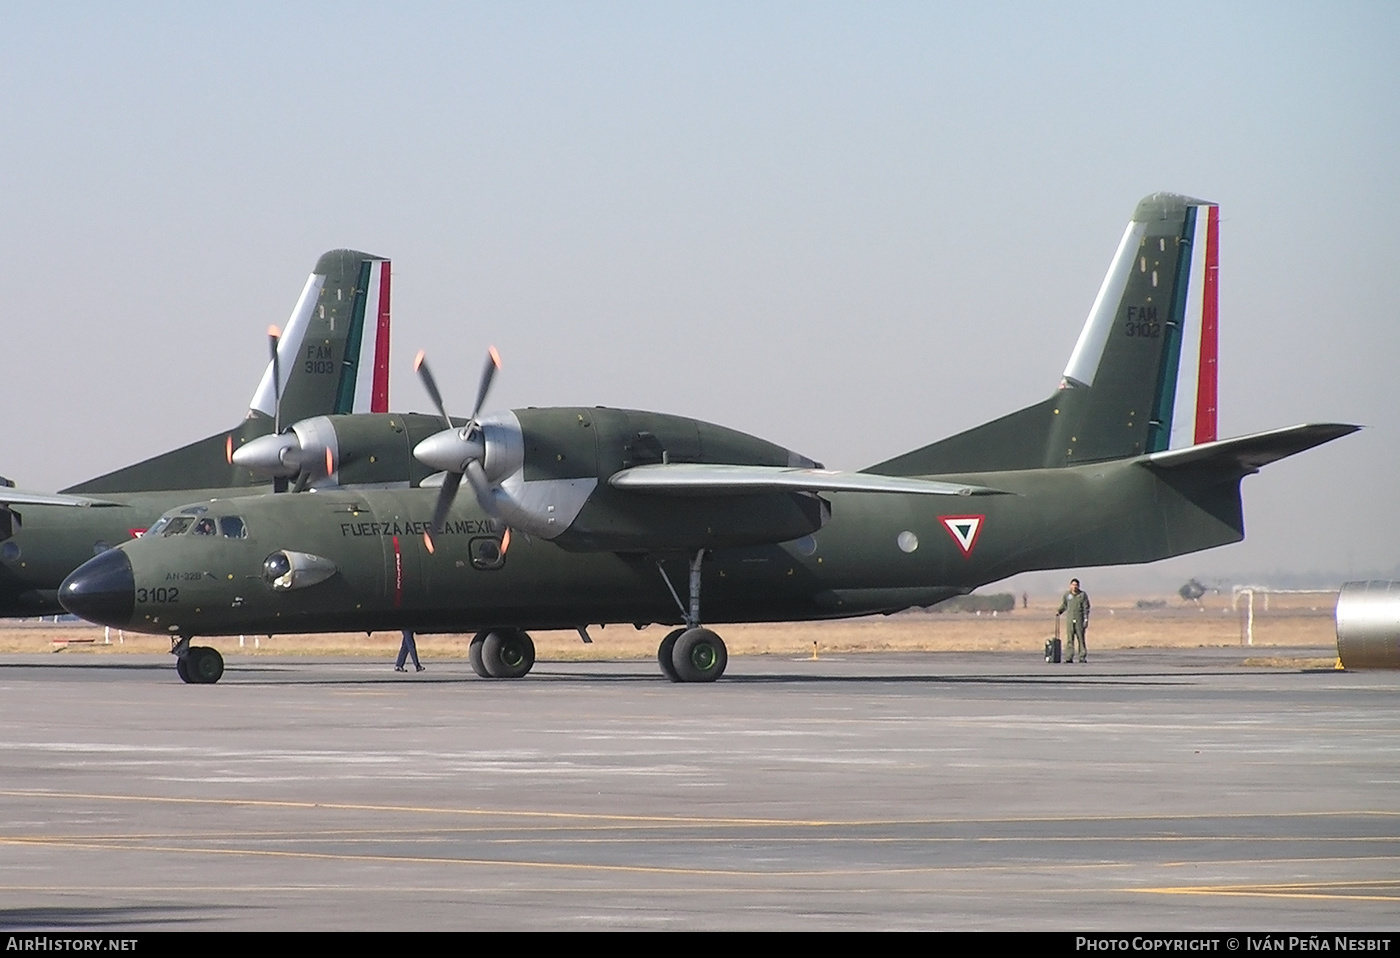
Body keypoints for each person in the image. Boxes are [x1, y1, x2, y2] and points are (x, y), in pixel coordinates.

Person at [1056, 578, 1090, 663]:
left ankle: (1082, 656)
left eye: (1076, 585)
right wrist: (1059, 611)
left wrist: (1086, 619)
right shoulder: (1067, 595)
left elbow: (1086, 608)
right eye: (1073, 585)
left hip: (1079, 619)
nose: (1074, 587)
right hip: (1070, 620)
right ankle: (1069, 656)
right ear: (1070, 585)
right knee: (1070, 639)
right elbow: (1064, 605)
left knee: (1081, 638)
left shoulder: (1082, 595)